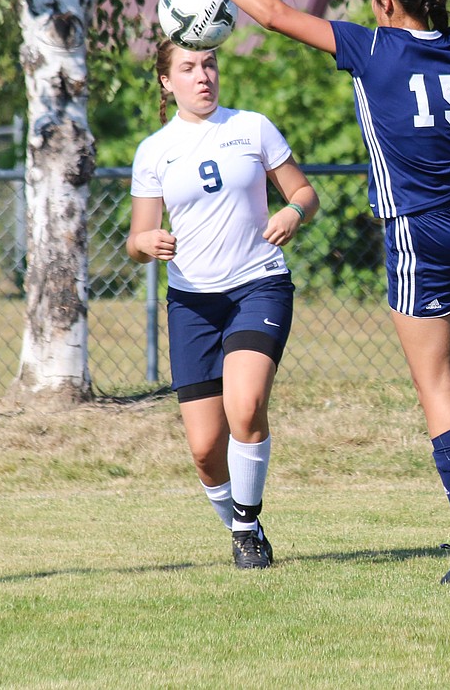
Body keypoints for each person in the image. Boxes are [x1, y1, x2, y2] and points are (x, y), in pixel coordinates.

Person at [160, 0, 450, 584]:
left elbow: (277, 14)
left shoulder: (373, 49)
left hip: (421, 230)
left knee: (437, 384)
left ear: (383, 3)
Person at [126, 40, 319, 570]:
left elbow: (304, 193)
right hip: (192, 303)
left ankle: (244, 528)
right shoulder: (154, 151)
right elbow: (136, 238)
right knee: (205, 449)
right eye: (187, 68)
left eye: (209, 64)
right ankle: (247, 529)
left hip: (258, 284)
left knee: (246, 406)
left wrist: (294, 214)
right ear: (167, 82)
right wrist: (145, 243)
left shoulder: (252, 127)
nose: (203, 76)